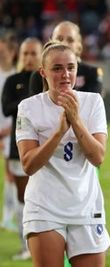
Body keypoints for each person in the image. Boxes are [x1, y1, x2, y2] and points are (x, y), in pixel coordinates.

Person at [15, 41, 110, 267]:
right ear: (43, 72)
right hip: (44, 208)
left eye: (70, 67)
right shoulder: (29, 108)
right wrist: (58, 133)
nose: (65, 74)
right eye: (57, 69)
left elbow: (98, 157)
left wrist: (76, 121)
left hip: (86, 206)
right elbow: (28, 164)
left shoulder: (93, 102)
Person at [2, 37, 42, 261]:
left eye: (33, 53)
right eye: (25, 53)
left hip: (45, 147)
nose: (28, 58)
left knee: (42, 196)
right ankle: (25, 244)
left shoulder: (47, 79)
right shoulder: (13, 81)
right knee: (21, 197)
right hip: (18, 147)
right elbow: (7, 109)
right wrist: (28, 101)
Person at [29, 20, 103, 95]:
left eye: (70, 40)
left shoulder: (91, 74)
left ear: (79, 46)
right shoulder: (38, 76)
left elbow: (91, 104)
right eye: (59, 39)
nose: (64, 43)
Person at [0, 32, 18, 232]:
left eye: (3, 51)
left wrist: (8, 130)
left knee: (10, 175)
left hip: (10, 132)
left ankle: (7, 217)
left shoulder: (16, 76)